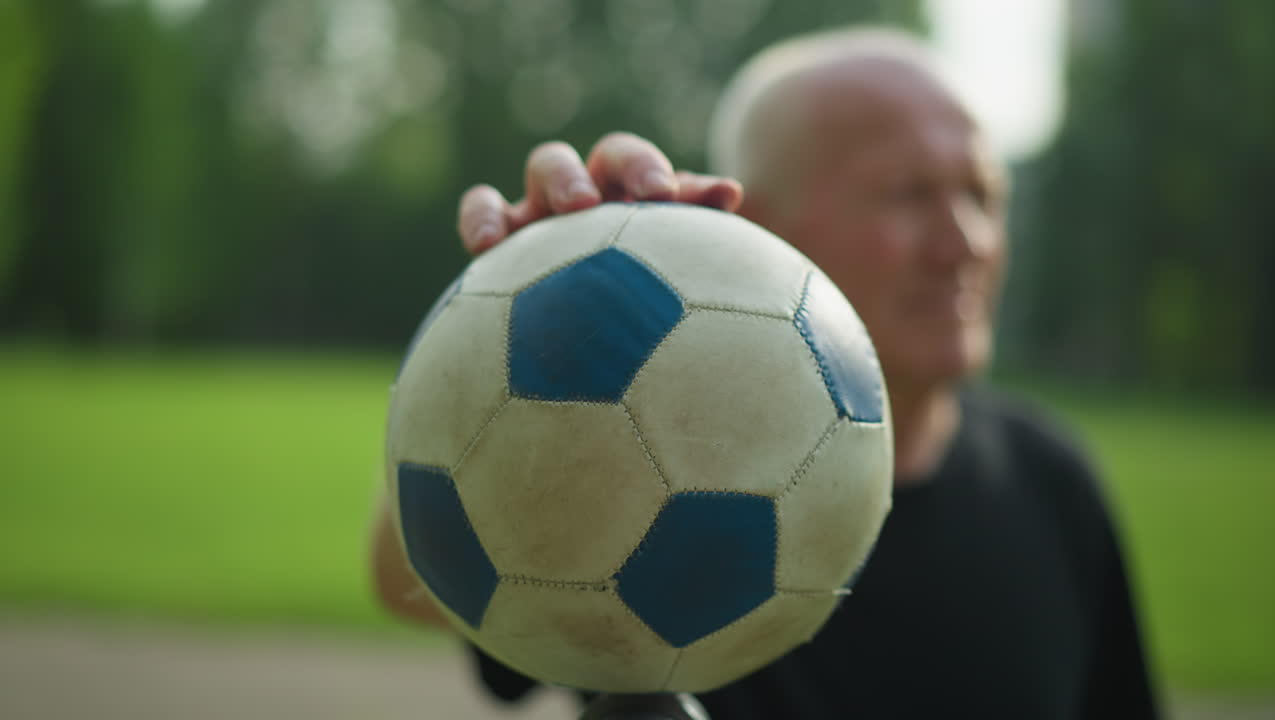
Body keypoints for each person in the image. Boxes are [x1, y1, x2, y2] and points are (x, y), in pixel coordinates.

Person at [371, 26, 1160, 719]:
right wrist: (533, 304)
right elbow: (410, 571)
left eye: (984, 195)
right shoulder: (623, 475)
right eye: (909, 195)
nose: (966, 243)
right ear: (758, 231)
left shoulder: (1053, 484)